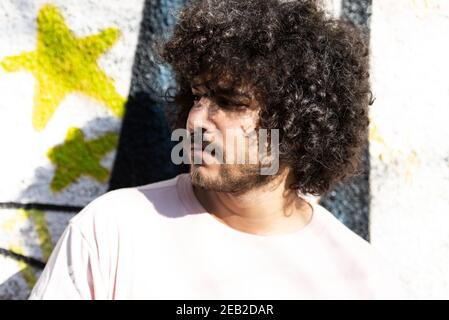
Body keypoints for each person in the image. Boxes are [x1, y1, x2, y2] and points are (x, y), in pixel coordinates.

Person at [29, 0, 407, 299]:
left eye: (230, 102)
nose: (196, 120)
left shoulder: (362, 279)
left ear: (298, 122)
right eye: (197, 96)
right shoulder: (110, 231)